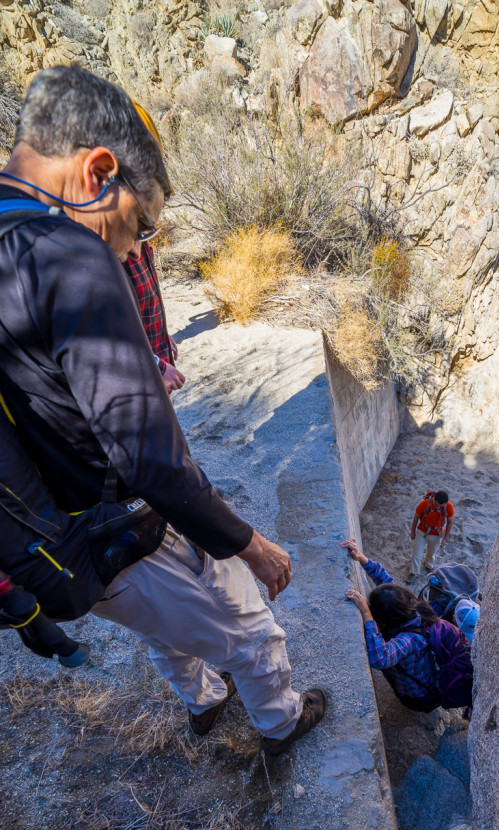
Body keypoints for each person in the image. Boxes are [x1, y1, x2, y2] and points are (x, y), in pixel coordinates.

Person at [0, 64, 325, 754]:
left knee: (159, 627)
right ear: (97, 172)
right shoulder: (69, 258)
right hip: (114, 524)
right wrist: (249, 544)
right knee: (251, 627)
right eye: (138, 226)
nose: (132, 250)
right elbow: (146, 455)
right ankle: (279, 724)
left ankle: (204, 703)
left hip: (47, 532)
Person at [341, 538, 472, 713]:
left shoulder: (412, 638)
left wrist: (367, 615)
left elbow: (380, 658)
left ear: (385, 617)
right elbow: (385, 580)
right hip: (427, 684)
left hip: (418, 699)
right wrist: (362, 558)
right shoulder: (413, 606)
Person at [123, 103, 184, 397]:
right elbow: (112, 332)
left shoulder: (137, 233)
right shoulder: (109, 241)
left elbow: (146, 302)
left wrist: (161, 337)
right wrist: (155, 366)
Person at [408, 489, 454, 579]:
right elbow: (416, 517)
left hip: (436, 533)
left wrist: (444, 539)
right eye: (437, 505)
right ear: (434, 499)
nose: (439, 507)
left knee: (432, 553)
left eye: (442, 506)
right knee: (416, 553)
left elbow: (450, 522)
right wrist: (413, 531)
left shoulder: (449, 506)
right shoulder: (424, 504)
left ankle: (428, 565)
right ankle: (414, 572)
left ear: (446, 503)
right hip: (422, 531)